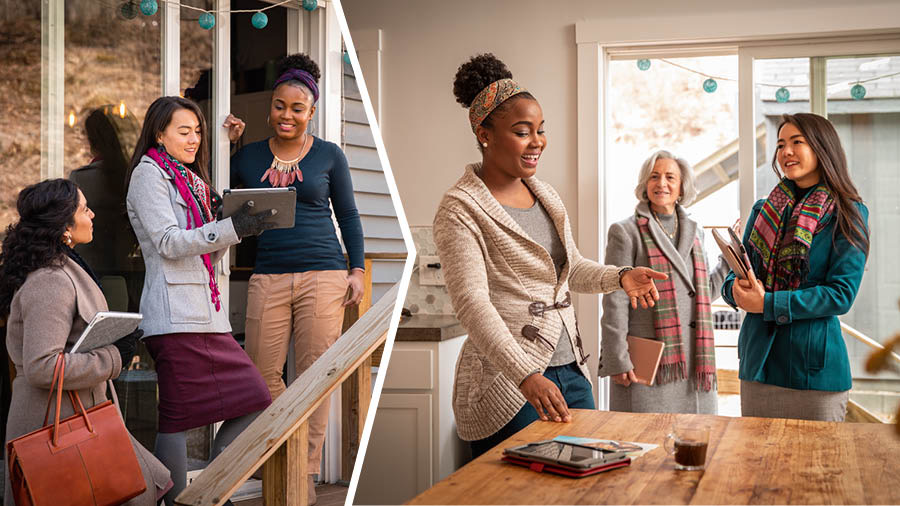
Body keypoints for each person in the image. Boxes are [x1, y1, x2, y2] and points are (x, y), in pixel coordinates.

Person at [433, 53, 667, 459]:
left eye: (541, 130)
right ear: (485, 134)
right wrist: (525, 375)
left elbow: (570, 269)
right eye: (523, 132)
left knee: (589, 479)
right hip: (508, 382)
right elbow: (473, 304)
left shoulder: (545, 195)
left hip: (571, 370)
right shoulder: (460, 208)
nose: (537, 141)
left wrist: (620, 275)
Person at [126, 96, 275, 505]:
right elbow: (170, 243)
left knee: (255, 399)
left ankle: (209, 490)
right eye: (183, 131)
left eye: (198, 131)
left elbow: (207, 254)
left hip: (205, 315)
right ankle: (185, 499)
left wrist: (234, 230)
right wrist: (228, 227)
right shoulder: (149, 175)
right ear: (160, 134)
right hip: (174, 318)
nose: (194, 140)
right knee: (177, 418)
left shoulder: (190, 181)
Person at [230, 53, 365, 503]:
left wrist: (358, 269)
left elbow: (347, 214)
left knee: (313, 373)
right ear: (271, 107)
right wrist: (230, 144)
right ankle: (281, 449)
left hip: (324, 273)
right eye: (280, 106)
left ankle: (303, 472)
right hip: (268, 274)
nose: (287, 115)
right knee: (259, 372)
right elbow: (223, 203)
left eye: (297, 108)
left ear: (311, 111)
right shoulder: (247, 157)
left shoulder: (329, 155)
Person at [0, 178, 171, 505]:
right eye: (84, 209)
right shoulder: (50, 281)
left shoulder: (64, 267)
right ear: (64, 224)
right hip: (55, 425)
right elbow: (42, 366)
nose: (92, 215)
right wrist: (113, 356)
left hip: (79, 418)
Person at [722, 113, 869, 422]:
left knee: (818, 468)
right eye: (780, 145)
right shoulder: (763, 209)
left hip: (813, 373)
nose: (786, 152)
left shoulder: (849, 213)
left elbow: (840, 294)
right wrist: (735, 290)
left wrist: (767, 303)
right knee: (757, 466)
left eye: (796, 142)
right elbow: (737, 273)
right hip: (757, 366)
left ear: (821, 147)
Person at [599, 150, 729, 414]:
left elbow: (702, 292)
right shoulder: (625, 231)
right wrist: (616, 358)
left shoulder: (696, 231)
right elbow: (615, 299)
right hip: (649, 358)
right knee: (642, 443)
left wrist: (728, 259)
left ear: (682, 187)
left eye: (670, 177)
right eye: (654, 176)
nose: (662, 183)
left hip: (694, 358)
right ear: (645, 185)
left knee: (692, 441)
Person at [69, 106, 142, 311]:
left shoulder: (82, 177)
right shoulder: (130, 176)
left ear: (91, 140)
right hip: (128, 270)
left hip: (90, 269)